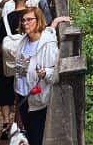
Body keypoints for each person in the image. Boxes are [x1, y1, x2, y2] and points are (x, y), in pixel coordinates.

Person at [15, 8, 70, 145]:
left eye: (29, 20)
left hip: (38, 100)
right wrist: (55, 22)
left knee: (36, 137)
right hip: (22, 95)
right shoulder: (23, 41)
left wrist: (45, 73)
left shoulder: (48, 45)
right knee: (29, 130)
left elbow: (56, 74)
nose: (25, 23)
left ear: (38, 21)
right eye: (23, 20)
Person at [0, 0, 28, 140]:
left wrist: (0, 57)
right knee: (21, 91)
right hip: (24, 62)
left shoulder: (5, 19)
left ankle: (6, 122)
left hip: (7, 61)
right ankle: (19, 124)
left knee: (5, 90)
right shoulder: (32, 17)